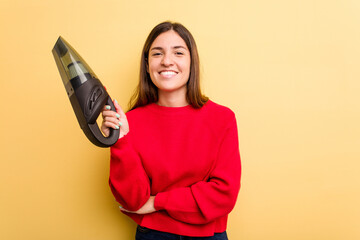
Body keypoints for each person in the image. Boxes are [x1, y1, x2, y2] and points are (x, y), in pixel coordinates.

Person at [101, 21, 241, 240]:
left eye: (178, 52)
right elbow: (132, 201)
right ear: (147, 64)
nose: (167, 61)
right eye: (157, 54)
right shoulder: (131, 122)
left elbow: (223, 195)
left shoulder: (222, 119)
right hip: (152, 235)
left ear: (191, 62)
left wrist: (156, 202)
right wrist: (120, 141)